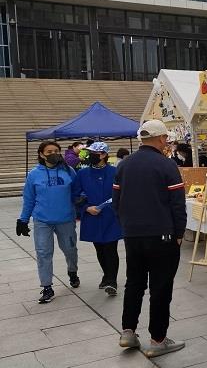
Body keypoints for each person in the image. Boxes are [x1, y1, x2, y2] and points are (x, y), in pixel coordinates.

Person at [112, 119, 187, 357]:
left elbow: (116, 202)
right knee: (160, 287)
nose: (167, 142)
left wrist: (127, 225)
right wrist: (179, 233)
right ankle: (158, 339)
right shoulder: (166, 165)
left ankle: (128, 331)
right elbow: (177, 204)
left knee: (134, 283)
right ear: (161, 138)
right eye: (166, 138)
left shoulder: (124, 165)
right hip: (162, 235)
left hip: (133, 235)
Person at [16, 141, 80, 303]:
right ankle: (47, 286)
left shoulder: (69, 171)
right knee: (43, 253)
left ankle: (72, 271)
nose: (53, 154)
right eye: (49, 151)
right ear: (41, 154)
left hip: (65, 219)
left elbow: (78, 192)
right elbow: (29, 199)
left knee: (70, 249)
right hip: (42, 221)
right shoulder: (33, 174)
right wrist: (23, 219)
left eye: (56, 151)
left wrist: (81, 201)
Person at [74, 142, 123, 296]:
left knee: (110, 247)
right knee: (100, 248)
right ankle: (106, 275)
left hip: (111, 216)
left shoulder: (115, 172)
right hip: (92, 216)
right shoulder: (82, 174)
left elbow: (123, 193)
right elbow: (75, 195)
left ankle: (112, 281)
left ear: (103, 155)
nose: (89, 156)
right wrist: (86, 208)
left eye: (93, 153)